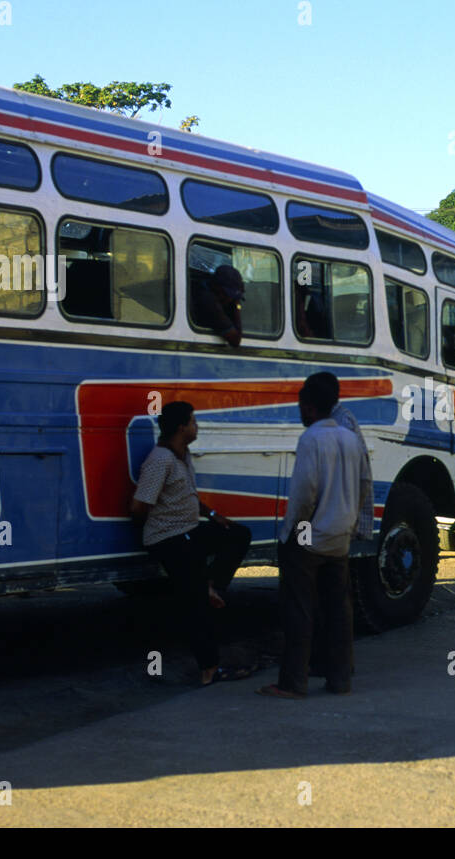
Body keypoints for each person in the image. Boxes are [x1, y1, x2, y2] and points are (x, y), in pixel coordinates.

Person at [259, 373, 369, 698]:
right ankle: (340, 678)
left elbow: (305, 494)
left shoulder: (311, 439)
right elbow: (364, 485)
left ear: (308, 407)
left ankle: (293, 682)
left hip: (310, 536)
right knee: (338, 610)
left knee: (299, 610)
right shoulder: (350, 438)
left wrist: (294, 532)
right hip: (340, 537)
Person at [130, 401, 253, 686]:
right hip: (170, 539)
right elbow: (139, 506)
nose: (197, 427)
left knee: (238, 534)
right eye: (194, 422)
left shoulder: (181, 456)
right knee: (196, 605)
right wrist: (157, 528)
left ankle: (213, 586)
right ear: (181, 427)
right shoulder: (160, 460)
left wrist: (213, 515)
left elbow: (185, 495)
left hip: (189, 531)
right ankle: (209, 670)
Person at [191, 264, 244, 347]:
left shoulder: (203, 288)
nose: (229, 299)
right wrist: (237, 307)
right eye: (227, 294)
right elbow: (235, 340)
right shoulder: (209, 301)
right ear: (216, 287)